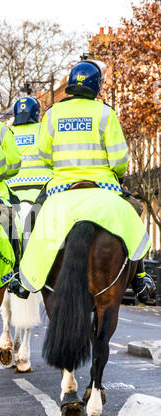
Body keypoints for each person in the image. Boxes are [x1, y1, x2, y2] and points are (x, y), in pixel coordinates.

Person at [9, 60, 155, 303]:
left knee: (33, 220)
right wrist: (113, 173)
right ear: (96, 87)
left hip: (61, 187)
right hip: (103, 186)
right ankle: (140, 277)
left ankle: (25, 280)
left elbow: (44, 154)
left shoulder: (52, 114)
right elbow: (119, 158)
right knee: (134, 209)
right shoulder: (105, 113)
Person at [7, 96, 53, 203]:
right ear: (36, 113)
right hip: (43, 187)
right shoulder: (43, 128)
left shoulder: (7, 132)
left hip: (12, 187)